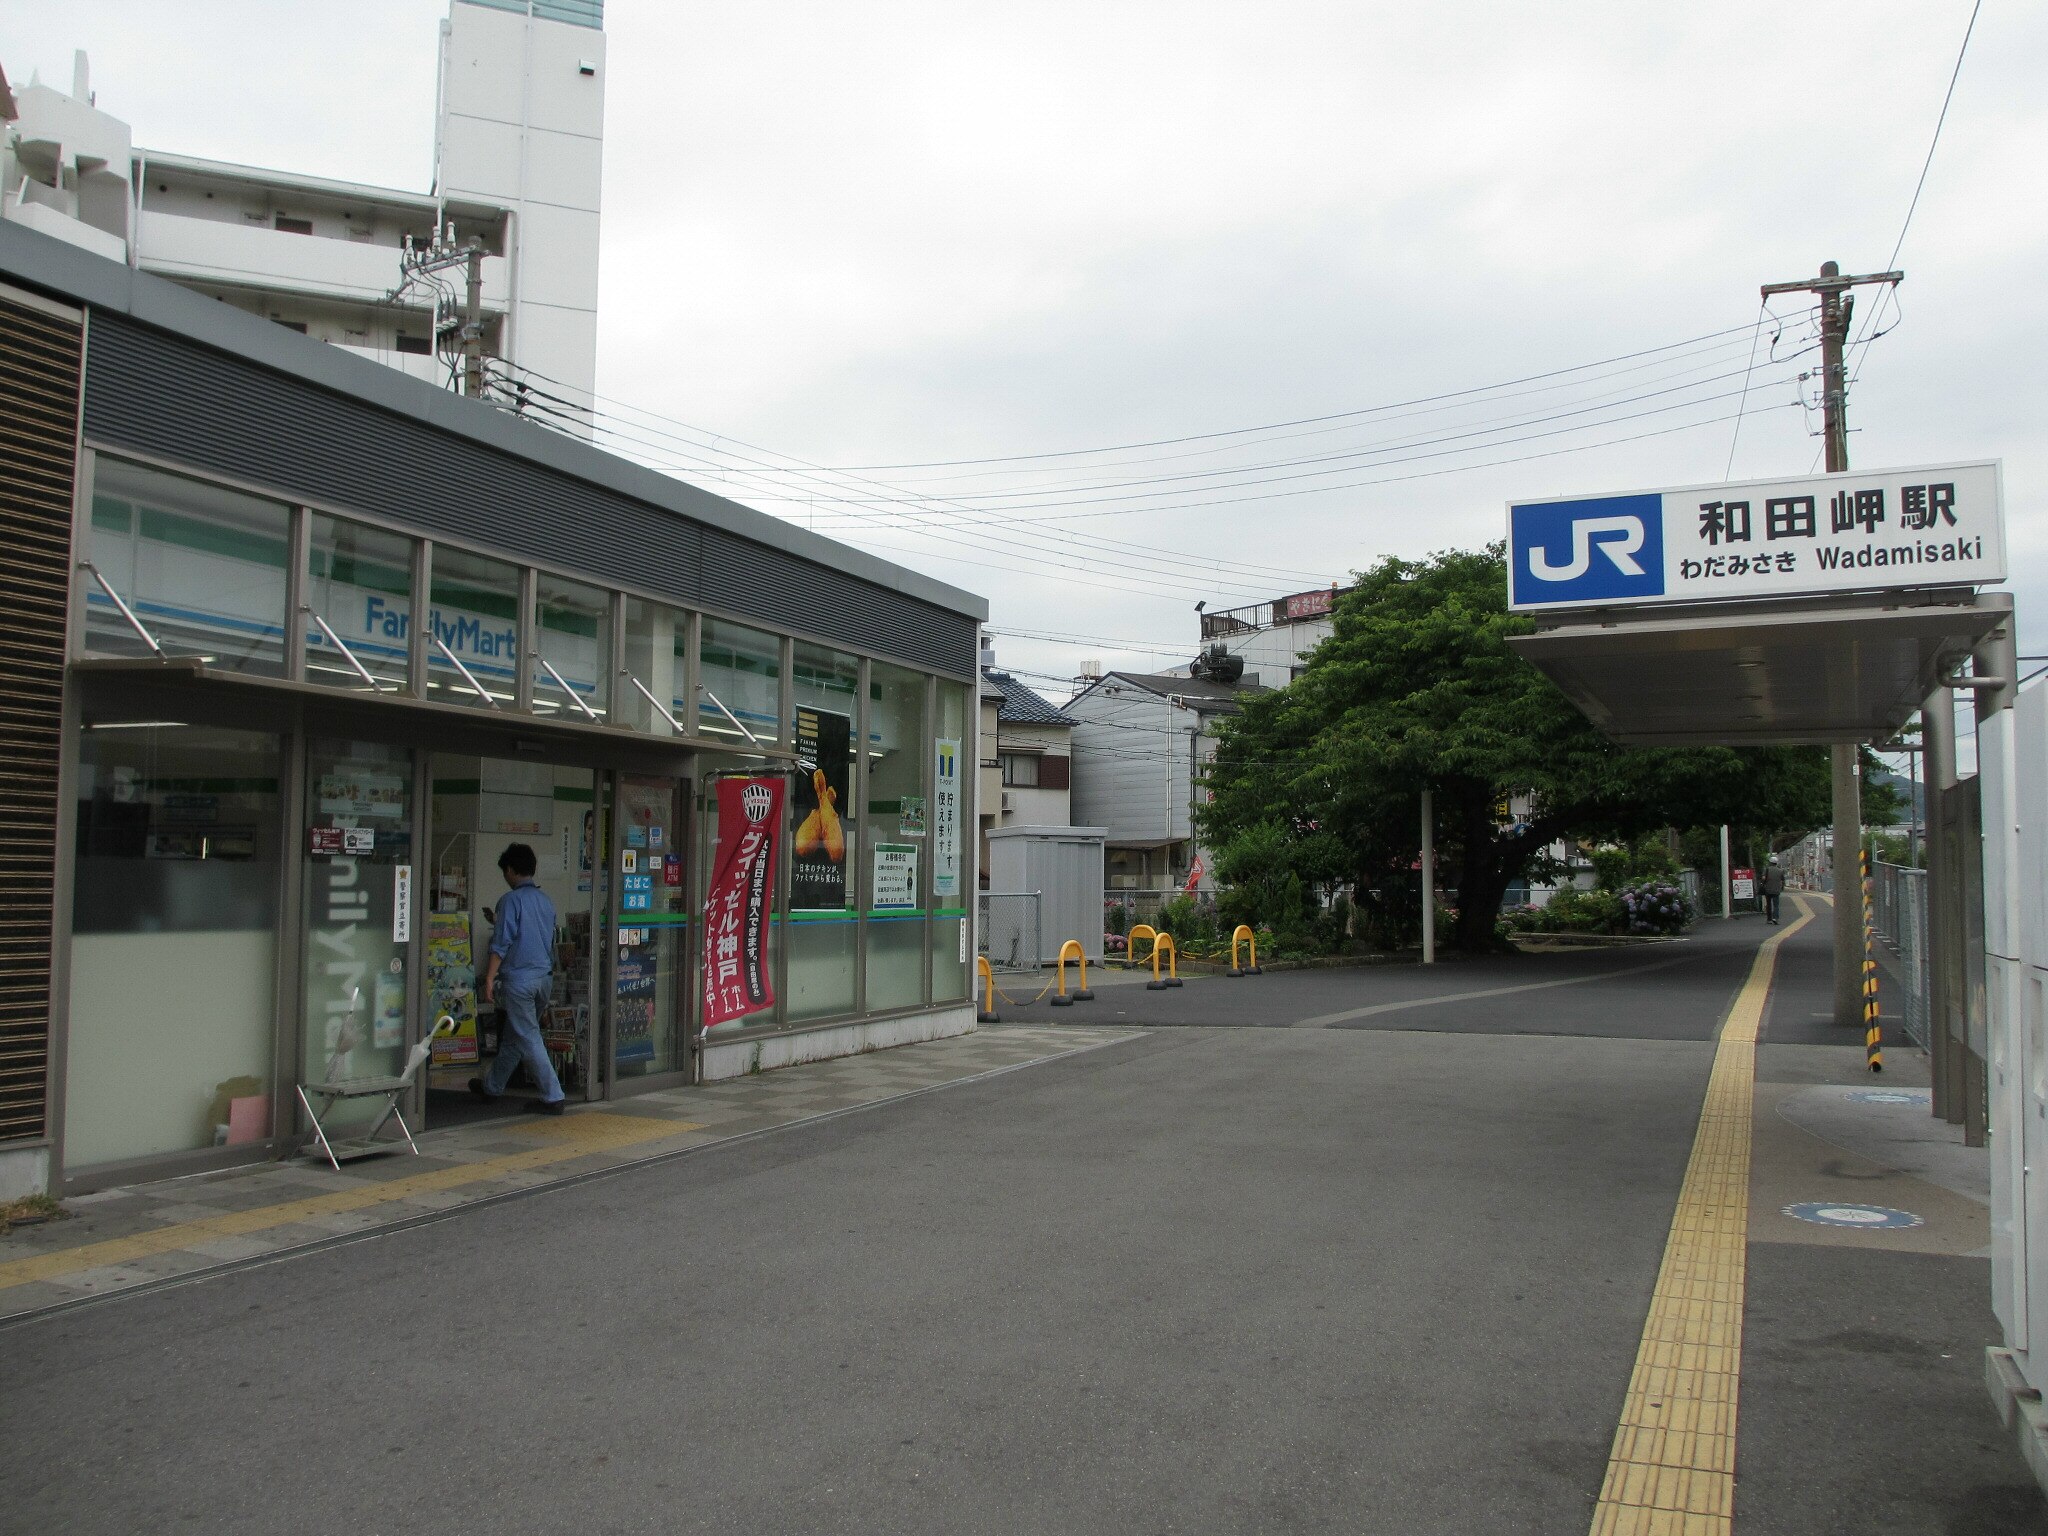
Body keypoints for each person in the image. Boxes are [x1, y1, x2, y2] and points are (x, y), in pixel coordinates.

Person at [470, 842, 566, 1114]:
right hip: (543, 979)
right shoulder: (546, 901)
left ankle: (553, 1095)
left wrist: (489, 978)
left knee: (528, 1036)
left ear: (511, 870)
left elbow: (501, 942)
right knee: (516, 1037)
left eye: (505, 871)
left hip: (520, 982)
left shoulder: (510, 900)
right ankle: (492, 1085)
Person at [1760, 856, 1786, 925]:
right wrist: (1782, 887)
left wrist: (1764, 882)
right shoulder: (1780, 871)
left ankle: (1769, 919)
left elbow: (1763, 878)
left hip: (1768, 890)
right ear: (1776, 863)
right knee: (1776, 905)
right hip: (1776, 890)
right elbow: (1783, 880)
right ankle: (1775, 918)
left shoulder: (1767, 869)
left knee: (1768, 905)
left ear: (1770, 863)